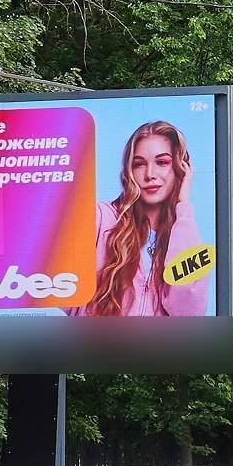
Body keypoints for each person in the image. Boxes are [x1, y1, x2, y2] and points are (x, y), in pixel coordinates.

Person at [81, 120, 209, 318]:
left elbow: (188, 312)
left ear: (181, 168)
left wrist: (183, 208)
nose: (150, 175)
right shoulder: (101, 218)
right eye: (139, 164)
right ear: (129, 171)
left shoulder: (186, 233)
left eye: (162, 162)